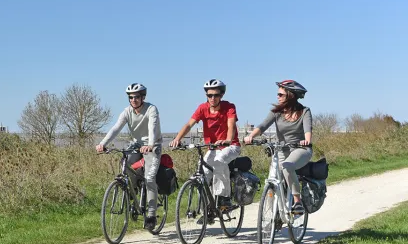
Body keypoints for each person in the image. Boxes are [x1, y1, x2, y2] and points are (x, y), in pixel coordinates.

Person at [96, 83, 163, 231]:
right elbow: (116, 128)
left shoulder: (151, 109)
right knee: (126, 167)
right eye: (131, 97)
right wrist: (103, 143)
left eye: (137, 97)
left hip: (153, 146)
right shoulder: (127, 112)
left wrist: (151, 145)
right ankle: (133, 193)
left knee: (150, 178)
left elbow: (152, 128)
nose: (133, 100)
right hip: (136, 145)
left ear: (143, 97)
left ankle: (151, 214)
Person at [169, 79, 241, 211]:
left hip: (231, 146)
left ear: (221, 95)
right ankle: (207, 209)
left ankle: (224, 198)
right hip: (213, 147)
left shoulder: (229, 107)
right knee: (203, 175)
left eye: (216, 95)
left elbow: (231, 125)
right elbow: (189, 125)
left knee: (219, 161)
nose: (212, 98)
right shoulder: (202, 108)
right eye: (209, 95)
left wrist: (228, 140)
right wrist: (177, 138)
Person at [244, 80, 312, 215]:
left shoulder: (304, 111)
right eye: (278, 94)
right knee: (274, 178)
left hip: (300, 149)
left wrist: (307, 140)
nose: (278, 97)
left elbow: (307, 130)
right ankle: (273, 215)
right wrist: (251, 136)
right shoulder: (276, 112)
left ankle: (297, 202)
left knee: (287, 167)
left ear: (290, 95)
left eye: (281, 94)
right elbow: (263, 126)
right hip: (281, 149)